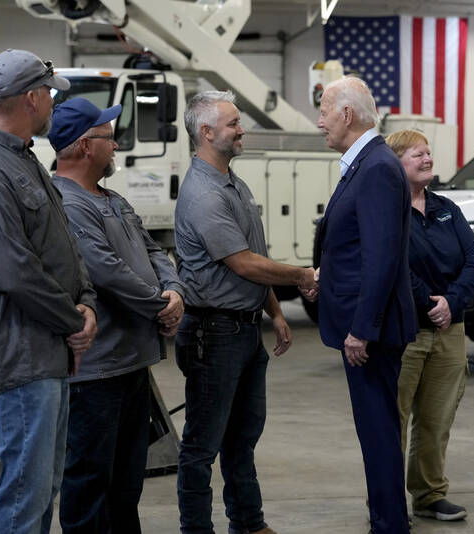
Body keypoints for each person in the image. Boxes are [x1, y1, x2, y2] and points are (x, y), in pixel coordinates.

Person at [0, 49, 98, 534]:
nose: (54, 105)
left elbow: (63, 249)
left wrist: (86, 304)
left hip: (46, 352)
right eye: (51, 95)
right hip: (21, 358)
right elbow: (15, 273)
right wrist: (75, 321)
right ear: (33, 98)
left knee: (43, 487)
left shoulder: (21, 162)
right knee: (24, 498)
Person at [174, 90, 318, 534]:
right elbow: (241, 263)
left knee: (243, 437)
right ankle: (197, 529)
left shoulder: (234, 182)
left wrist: (274, 311)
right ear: (206, 132)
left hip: (242, 330)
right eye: (234, 123)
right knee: (202, 445)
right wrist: (301, 275)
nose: (242, 130)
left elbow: (253, 255)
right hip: (212, 333)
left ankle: (249, 524)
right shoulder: (202, 194)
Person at [47, 98, 186, 533]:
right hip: (96, 375)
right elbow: (105, 271)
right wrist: (159, 305)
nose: (117, 147)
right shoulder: (66, 204)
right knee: (90, 483)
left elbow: (152, 251)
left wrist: (174, 290)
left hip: (131, 366)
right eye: (110, 138)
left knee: (127, 485)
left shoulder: (113, 199)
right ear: (86, 146)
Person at [315, 77, 418, 534]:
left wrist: (363, 328)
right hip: (363, 322)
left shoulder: (375, 167)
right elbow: (359, 247)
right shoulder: (368, 163)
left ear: (346, 115)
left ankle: (390, 523)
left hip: (369, 333)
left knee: (378, 432)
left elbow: (381, 257)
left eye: (323, 110)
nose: (319, 122)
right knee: (375, 429)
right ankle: (386, 516)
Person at [384, 130, 474, 522]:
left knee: (437, 417)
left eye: (428, 153)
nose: (427, 159)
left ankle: (428, 495)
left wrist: (452, 302)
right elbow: (393, 265)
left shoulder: (447, 208)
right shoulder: (388, 211)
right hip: (405, 331)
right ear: (396, 163)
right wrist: (430, 304)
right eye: (416, 154)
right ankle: (389, 502)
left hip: (449, 330)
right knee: (394, 417)